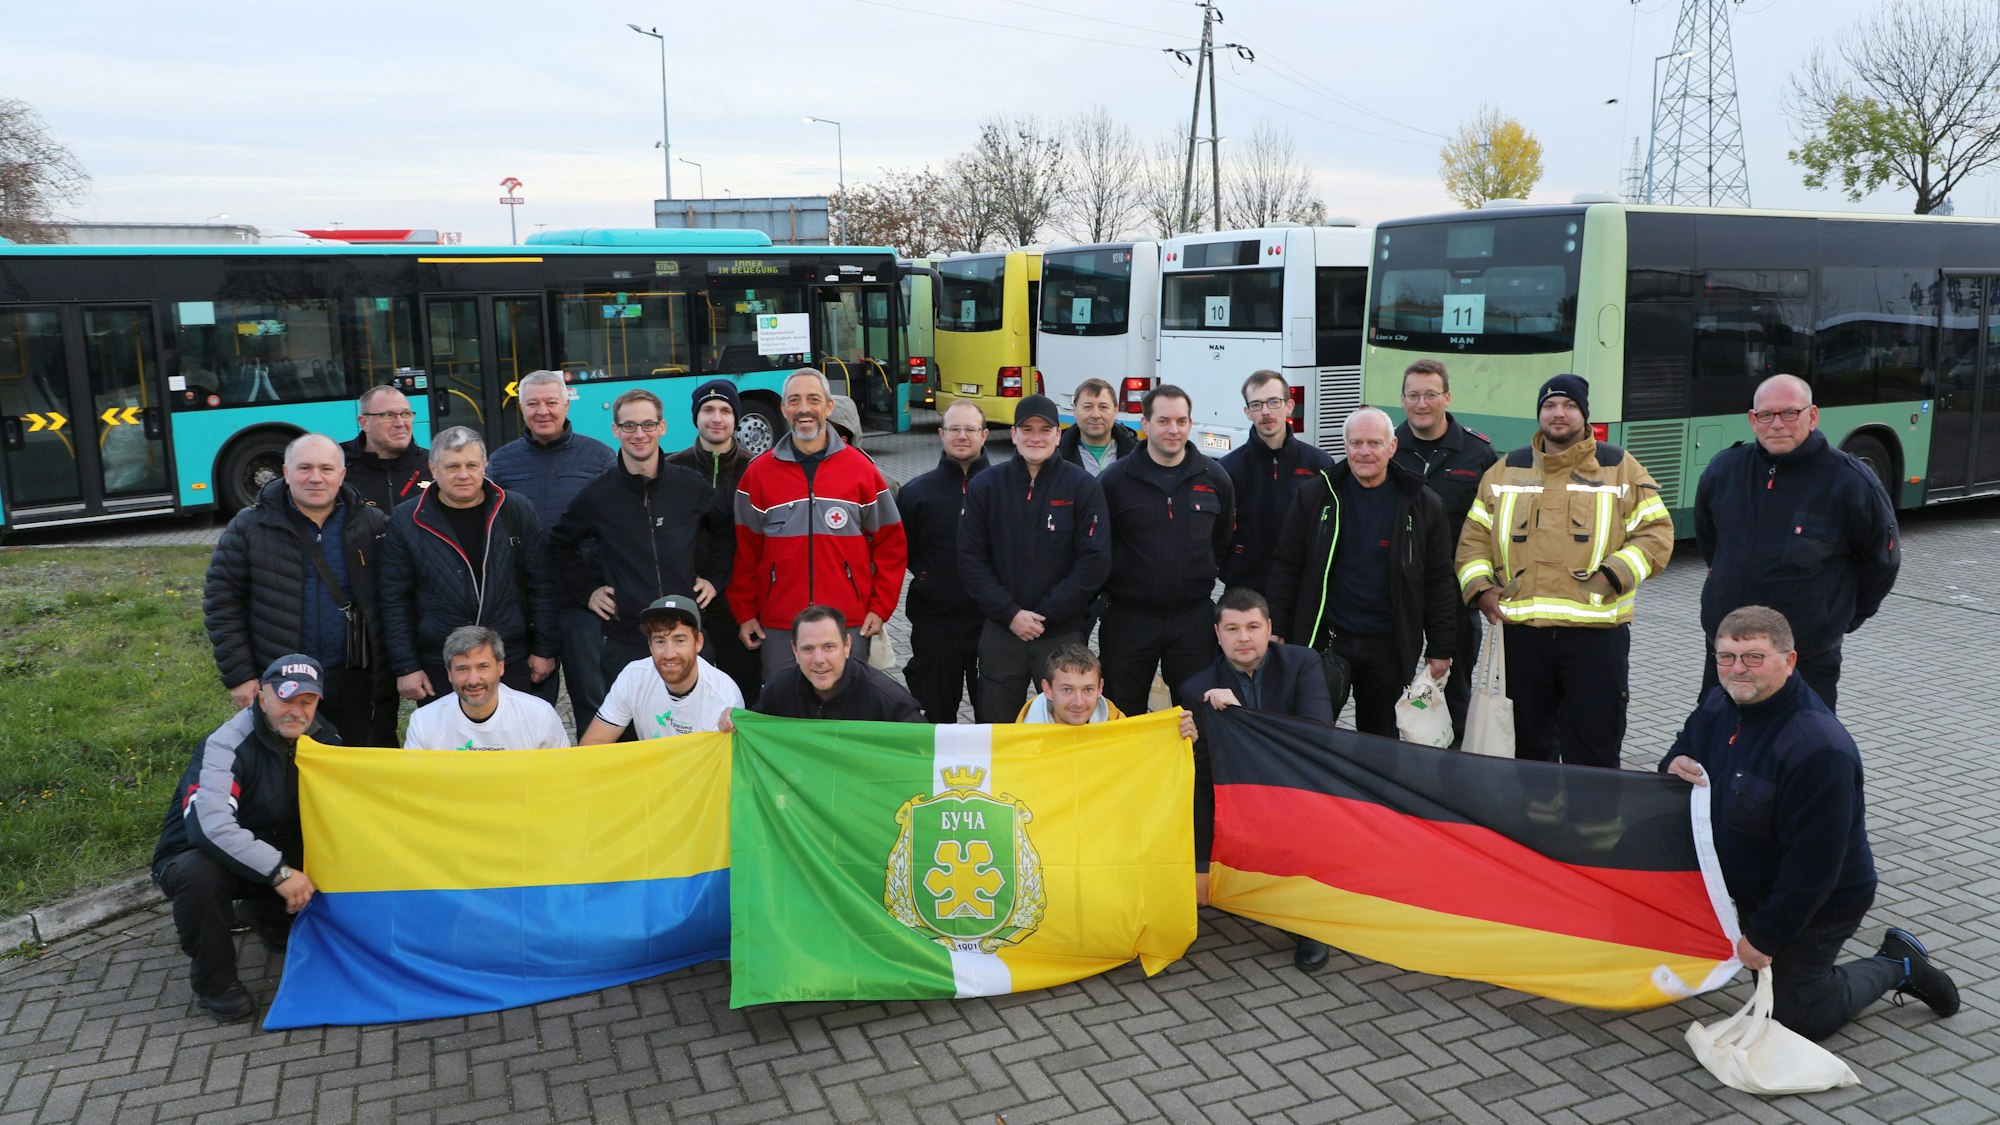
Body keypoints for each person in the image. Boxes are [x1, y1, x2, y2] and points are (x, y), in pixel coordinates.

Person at [1662, 606, 1957, 1040]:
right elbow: (1685, 744)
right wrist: (1674, 762)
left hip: (1820, 899)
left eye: (1753, 657)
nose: (1737, 670)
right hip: (1745, 878)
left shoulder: (1818, 749)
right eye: (1725, 657)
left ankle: (1898, 963)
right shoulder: (1719, 702)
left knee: (1798, 1018)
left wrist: (1764, 938)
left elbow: (1814, 868)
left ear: (1789, 660)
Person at [1455, 374, 1674, 768]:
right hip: (1523, 640)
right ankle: (1536, 829)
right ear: (1539, 413)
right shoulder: (1505, 470)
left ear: (1584, 415)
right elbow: (1473, 538)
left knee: (1594, 749)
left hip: (1595, 642)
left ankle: (1591, 828)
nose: (1558, 413)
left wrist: (1613, 575)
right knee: (1528, 750)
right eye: (1550, 406)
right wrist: (1482, 590)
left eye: (1569, 406)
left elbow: (1656, 534)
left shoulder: (1619, 467)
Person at [1693, 374, 1899, 712]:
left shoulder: (1850, 482)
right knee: (1717, 745)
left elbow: (1881, 562)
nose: (1777, 424)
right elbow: (1711, 543)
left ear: (1812, 416)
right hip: (1728, 652)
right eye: (1766, 415)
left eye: (1790, 413)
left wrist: (1837, 617)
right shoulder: (1723, 471)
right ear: (1752, 419)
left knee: (1802, 749)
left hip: (1807, 657)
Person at [151, 655, 336, 1022]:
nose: (296, 712)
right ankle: (213, 982)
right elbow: (211, 827)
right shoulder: (224, 745)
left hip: (271, 849)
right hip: (200, 855)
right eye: (286, 699)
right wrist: (280, 874)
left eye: (307, 701)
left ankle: (265, 912)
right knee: (196, 873)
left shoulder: (327, 739)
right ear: (261, 698)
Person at [1266, 407, 1457, 738]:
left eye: (1374, 443)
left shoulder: (1423, 504)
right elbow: (1287, 565)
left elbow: (1438, 580)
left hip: (1388, 646)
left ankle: (1368, 791)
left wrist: (1441, 646)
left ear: (1392, 447)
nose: (1364, 452)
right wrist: (1278, 626)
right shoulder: (1315, 496)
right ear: (1345, 446)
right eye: (1356, 443)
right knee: (1311, 735)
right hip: (1326, 642)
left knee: (1379, 740)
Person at [1177, 588, 1334, 970]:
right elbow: (1202, 769)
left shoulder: (1303, 663)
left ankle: (1308, 923)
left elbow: (1316, 734)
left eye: (1252, 626)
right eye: (1232, 628)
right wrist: (1188, 737)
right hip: (1237, 795)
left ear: (1268, 629)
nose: (1243, 637)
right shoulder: (1195, 688)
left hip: (1294, 786)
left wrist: (1240, 715)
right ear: (1218, 635)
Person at [203, 433, 395, 746]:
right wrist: (241, 675)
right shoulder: (249, 527)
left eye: (327, 469)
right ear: (286, 472)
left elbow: (396, 598)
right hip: (284, 682)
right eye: (304, 468)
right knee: (290, 775)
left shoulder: (372, 525)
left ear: (342, 474)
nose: (316, 478)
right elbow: (222, 603)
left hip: (358, 681)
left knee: (361, 772)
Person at [550, 388, 733, 693]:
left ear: (662, 427)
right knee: (631, 735)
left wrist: (714, 579)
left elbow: (726, 530)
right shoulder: (598, 495)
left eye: (648, 424)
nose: (639, 434)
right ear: (615, 430)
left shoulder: (689, 487)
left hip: (687, 633)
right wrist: (588, 592)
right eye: (629, 426)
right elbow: (559, 545)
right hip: (627, 639)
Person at [731, 368, 907, 677]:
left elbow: (891, 545)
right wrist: (745, 613)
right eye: (794, 400)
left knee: (846, 716)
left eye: (813, 399)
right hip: (780, 623)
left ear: (828, 407)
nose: (804, 409)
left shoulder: (861, 470)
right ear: (784, 408)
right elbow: (745, 554)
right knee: (786, 715)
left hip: (847, 622)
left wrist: (880, 608)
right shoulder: (757, 475)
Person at [381, 426, 562, 711]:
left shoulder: (515, 509)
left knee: (514, 748)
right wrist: (406, 666)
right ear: (433, 468)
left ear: (485, 466)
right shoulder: (407, 519)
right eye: (452, 466)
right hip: (441, 664)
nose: (463, 475)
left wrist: (544, 649)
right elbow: (394, 599)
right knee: (450, 752)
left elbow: (541, 584)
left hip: (509, 658)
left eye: (472, 465)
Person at [959, 394, 1112, 722]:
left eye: (1045, 429)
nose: (1036, 437)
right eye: (1027, 429)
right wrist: (1011, 613)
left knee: (1068, 723)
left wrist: (1044, 614)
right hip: (1003, 630)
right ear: (1013, 434)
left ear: (1059, 435)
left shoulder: (1082, 486)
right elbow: (971, 559)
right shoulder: (986, 486)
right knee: (997, 726)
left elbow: (1094, 561)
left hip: (1061, 632)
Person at [488, 369, 619, 729]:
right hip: (523, 605)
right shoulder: (500, 463)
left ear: (565, 404)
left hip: (583, 605)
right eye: (533, 403)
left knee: (595, 702)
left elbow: (617, 530)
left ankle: (598, 777)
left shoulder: (599, 458)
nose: (542, 411)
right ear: (521, 407)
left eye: (550, 402)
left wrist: (602, 586)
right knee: (527, 707)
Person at [1097, 384, 1235, 718]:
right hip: (1129, 620)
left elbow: (1222, 543)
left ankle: (1192, 774)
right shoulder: (1115, 481)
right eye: (1163, 421)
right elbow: (1100, 546)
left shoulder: (1215, 478)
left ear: (1190, 424)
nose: (1173, 430)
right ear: (1145, 424)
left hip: (1193, 620)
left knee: (1196, 717)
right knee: (1122, 716)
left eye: (1181, 421)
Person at [1390, 358, 1497, 741]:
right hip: (1395, 595)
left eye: (1431, 395)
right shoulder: (1388, 449)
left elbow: (1493, 527)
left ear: (1447, 397)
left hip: (1452, 597)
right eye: (1414, 395)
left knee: (1455, 689)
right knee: (1393, 689)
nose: (1422, 403)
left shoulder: (1477, 453)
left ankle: (1452, 770)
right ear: (1402, 399)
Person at [664, 378, 761, 703]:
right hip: (689, 608)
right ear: (696, 416)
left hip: (741, 609)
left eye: (724, 410)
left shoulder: (756, 469)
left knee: (743, 696)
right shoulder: (672, 469)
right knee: (691, 700)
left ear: (736, 418)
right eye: (708, 409)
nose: (716, 417)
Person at [897, 400, 992, 722]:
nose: (962, 436)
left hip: (991, 626)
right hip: (934, 626)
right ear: (941, 434)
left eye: (970, 429)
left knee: (993, 717)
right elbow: (905, 552)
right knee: (936, 717)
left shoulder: (1004, 487)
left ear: (985, 435)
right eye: (954, 429)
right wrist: (928, 577)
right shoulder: (915, 493)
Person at [1219, 369, 1332, 597]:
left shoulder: (1319, 464)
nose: (1266, 412)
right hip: (1245, 586)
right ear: (1247, 412)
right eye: (1256, 405)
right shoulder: (1227, 469)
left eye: (1273, 402)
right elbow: (1218, 532)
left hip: (1303, 585)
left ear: (1289, 405)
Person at [581, 594, 744, 742]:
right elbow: (593, 744)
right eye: (660, 641)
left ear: (698, 642)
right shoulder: (633, 676)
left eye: (679, 640)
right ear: (650, 645)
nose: (669, 653)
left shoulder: (724, 697)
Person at [403, 626, 569, 751]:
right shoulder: (423, 722)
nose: (473, 680)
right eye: (462, 669)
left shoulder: (539, 716)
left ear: (500, 667)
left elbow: (561, 777)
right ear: (449, 673)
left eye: (483, 667)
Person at [751, 605, 925, 722]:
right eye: (808, 649)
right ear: (795, 651)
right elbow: (753, 730)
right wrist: (735, 722)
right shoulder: (777, 690)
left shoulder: (889, 701)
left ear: (847, 645)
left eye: (829, 646)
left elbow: (924, 750)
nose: (819, 659)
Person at [338, 385, 430, 512]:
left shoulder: (433, 465)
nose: (400, 423)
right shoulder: (337, 466)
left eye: (405, 414)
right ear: (364, 423)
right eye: (388, 415)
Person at [1016, 642, 1127, 725]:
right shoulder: (1021, 739)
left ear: (1100, 688)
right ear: (1047, 689)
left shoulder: (1118, 727)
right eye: (1067, 690)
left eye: (1088, 690)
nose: (1078, 703)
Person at [1057, 377, 1139, 477]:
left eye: (1103, 407)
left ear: (1115, 410)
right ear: (1075, 410)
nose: (1096, 415)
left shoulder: (1137, 455)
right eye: (1088, 407)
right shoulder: (1055, 456)